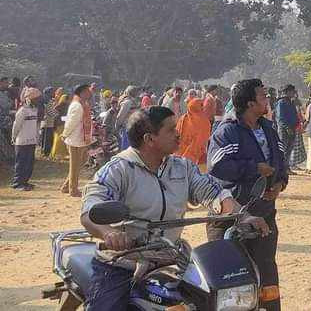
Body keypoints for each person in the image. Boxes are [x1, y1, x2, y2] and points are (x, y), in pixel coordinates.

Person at [81, 107, 267, 311]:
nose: (178, 133)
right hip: (122, 262)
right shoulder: (118, 170)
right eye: (171, 130)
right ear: (149, 139)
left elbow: (214, 194)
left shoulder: (182, 167)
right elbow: (90, 212)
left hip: (173, 259)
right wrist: (110, 233)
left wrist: (243, 216)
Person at [205, 79, 288, 311]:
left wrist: (280, 183)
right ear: (250, 103)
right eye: (263, 96)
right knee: (229, 280)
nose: (267, 100)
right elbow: (218, 166)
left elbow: (280, 161)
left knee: (266, 274)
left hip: (264, 215)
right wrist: (254, 168)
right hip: (229, 218)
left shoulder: (269, 129)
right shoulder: (227, 131)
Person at [61, 84, 96, 197]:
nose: (89, 93)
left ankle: (67, 186)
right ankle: (73, 189)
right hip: (75, 139)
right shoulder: (77, 105)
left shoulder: (83, 104)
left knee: (80, 162)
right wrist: (65, 134)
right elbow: (71, 122)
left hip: (81, 139)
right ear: (81, 93)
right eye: (87, 91)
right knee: (75, 165)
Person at [11, 87, 41, 190]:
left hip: (31, 141)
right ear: (29, 99)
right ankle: (17, 183)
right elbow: (16, 125)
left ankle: (25, 182)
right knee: (21, 163)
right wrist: (14, 137)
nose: (37, 100)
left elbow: (35, 126)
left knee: (29, 163)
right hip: (22, 141)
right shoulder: (22, 111)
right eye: (35, 98)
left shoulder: (34, 110)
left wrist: (37, 138)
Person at [175, 97, 212, 172]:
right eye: (200, 105)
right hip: (197, 159)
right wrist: (188, 158)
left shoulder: (183, 118)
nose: (203, 107)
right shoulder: (204, 122)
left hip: (179, 158)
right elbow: (200, 143)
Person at [274, 85, 299, 171]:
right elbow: (280, 118)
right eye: (292, 91)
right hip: (284, 130)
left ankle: (286, 167)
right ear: (287, 92)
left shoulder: (291, 102)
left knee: (289, 149)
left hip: (292, 128)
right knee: (283, 149)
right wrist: (287, 128)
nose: (293, 93)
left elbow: (295, 115)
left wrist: (296, 125)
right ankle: (280, 168)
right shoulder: (281, 102)